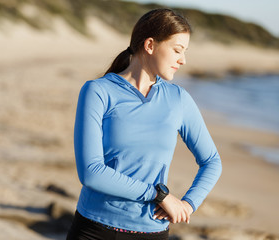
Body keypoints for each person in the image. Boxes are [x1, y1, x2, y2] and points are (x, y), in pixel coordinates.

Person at [67, 8, 222, 240]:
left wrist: (189, 204)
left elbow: (212, 161)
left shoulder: (178, 99)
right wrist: (158, 195)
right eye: (177, 50)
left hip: (152, 232)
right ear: (150, 45)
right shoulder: (98, 91)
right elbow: (91, 172)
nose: (183, 60)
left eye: (185, 52)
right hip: (94, 229)